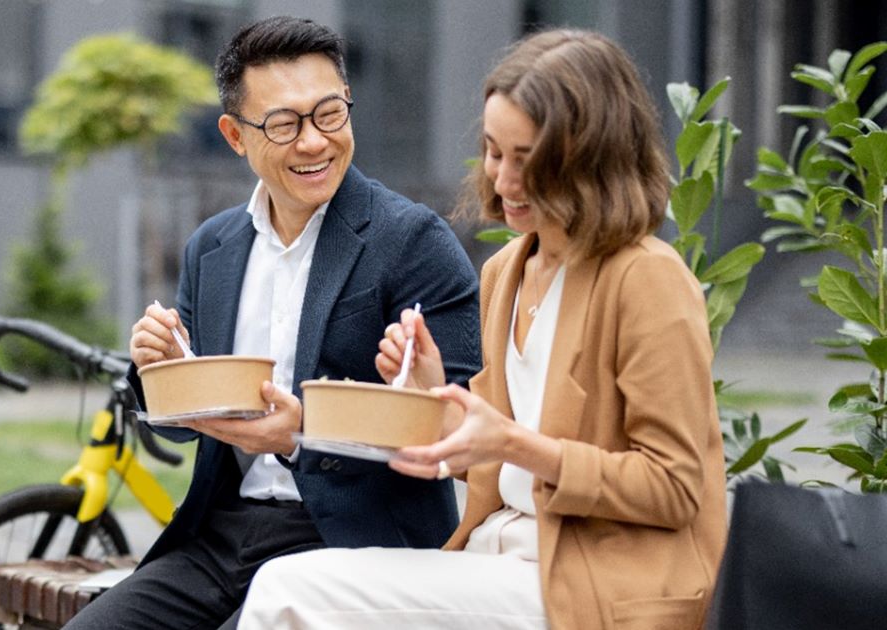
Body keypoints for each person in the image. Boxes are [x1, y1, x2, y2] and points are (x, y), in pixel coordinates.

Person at [237, 29, 728, 630]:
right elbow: (488, 456)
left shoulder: (647, 279)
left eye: (530, 159)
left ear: (592, 158)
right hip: (498, 555)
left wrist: (511, 442)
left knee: (287, 591)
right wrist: (430, 398)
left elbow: (675, 488)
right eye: (496, 152)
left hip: (595, 580)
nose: (503, 180)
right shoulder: (507, 271)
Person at [63, 16, 481, 630]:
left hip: (351, 541)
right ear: (235, 135)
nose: (314, 142)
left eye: (330, 114)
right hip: (218, 537)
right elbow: (186, 431)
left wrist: (298, 434)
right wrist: (162, 370)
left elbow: (462, 426)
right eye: (284, 125)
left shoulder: (413, 240)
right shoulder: (212, 248)